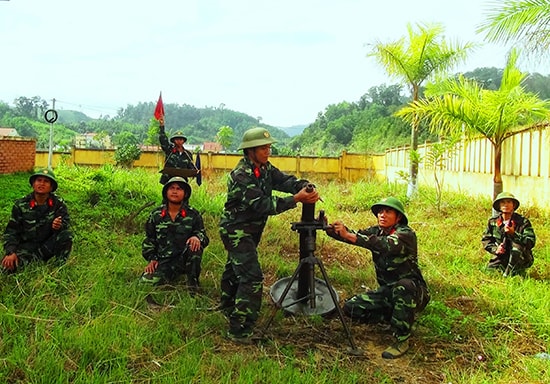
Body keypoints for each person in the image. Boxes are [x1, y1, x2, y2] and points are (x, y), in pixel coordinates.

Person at [217, 127, 320, 344]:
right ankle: (240, 330)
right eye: (263, 148)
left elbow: (283, 180)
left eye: (269, 147)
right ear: (250, 150)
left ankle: (227, 306)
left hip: (250, 230)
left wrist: (303, 185)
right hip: (236, 231)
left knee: (235, 269)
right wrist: (297, 199)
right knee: (251, 276)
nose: (268, 151)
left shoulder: (264, 168)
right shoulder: (241, 175)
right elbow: (263, 204)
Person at [325, 197, 430, 359]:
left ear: (399, 217)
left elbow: (381, 244)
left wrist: (349, 235)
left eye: (388, 212)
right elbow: (356, 236)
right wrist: (332, 230)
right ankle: (394, 316)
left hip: (413, 293)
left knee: (404, 286)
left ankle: (402, 338)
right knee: (351, 308)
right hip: (388, 292)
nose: (382, 215)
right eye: (380, 211)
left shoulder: (406, 234)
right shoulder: (377, 231)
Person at [141, 176, 209, 294]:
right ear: (166, 192)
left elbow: (203, 235)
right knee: (145, 283)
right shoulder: (156, 215)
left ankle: (192, 285)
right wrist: (152, 259)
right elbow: (150, 239)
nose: (175, 191)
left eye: (179, 189)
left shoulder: (193, 214)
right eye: (172, 188)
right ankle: (168, 276)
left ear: (185, 193)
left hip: (184, 259)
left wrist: (197, 237)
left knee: (195, 247)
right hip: (163, 260)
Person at [2, 168, 73, 272]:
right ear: (33, 184)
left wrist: (58, 226)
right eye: (39, 180)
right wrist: (10, 252)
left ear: (51, 187)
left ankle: (59, 268)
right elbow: (11, 232)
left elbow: (66, 224)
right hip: (27, 247)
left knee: (67, 235)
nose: (42, 184)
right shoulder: (21, 204)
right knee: (7, 269)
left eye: (46, 181)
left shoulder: (58, 204)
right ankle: (30, 261)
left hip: (47, 246)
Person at [482, 192, 535, 277]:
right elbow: (486, 240)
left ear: (513, 205)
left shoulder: (523, 222)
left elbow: (531, 241)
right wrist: (496, 249)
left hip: (521, 256)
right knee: (489, 272)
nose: (506, 205)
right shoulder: (493, 222)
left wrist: (514, 234)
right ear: (499, 206)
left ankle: (511, 273)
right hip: (502, 256)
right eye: (503, 202)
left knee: (516, 248)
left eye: (508, 202)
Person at [158, 116, 196, 184]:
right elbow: (163, 139)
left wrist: (195, 172)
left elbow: (190, 167)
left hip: (182, 181)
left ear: (183, 141)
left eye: (181, 139)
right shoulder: (169, 150)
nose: (179, 141)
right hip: (168, 180)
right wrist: (162, 126)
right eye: (177, 139)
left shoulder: (188, 154)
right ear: (173, 141)